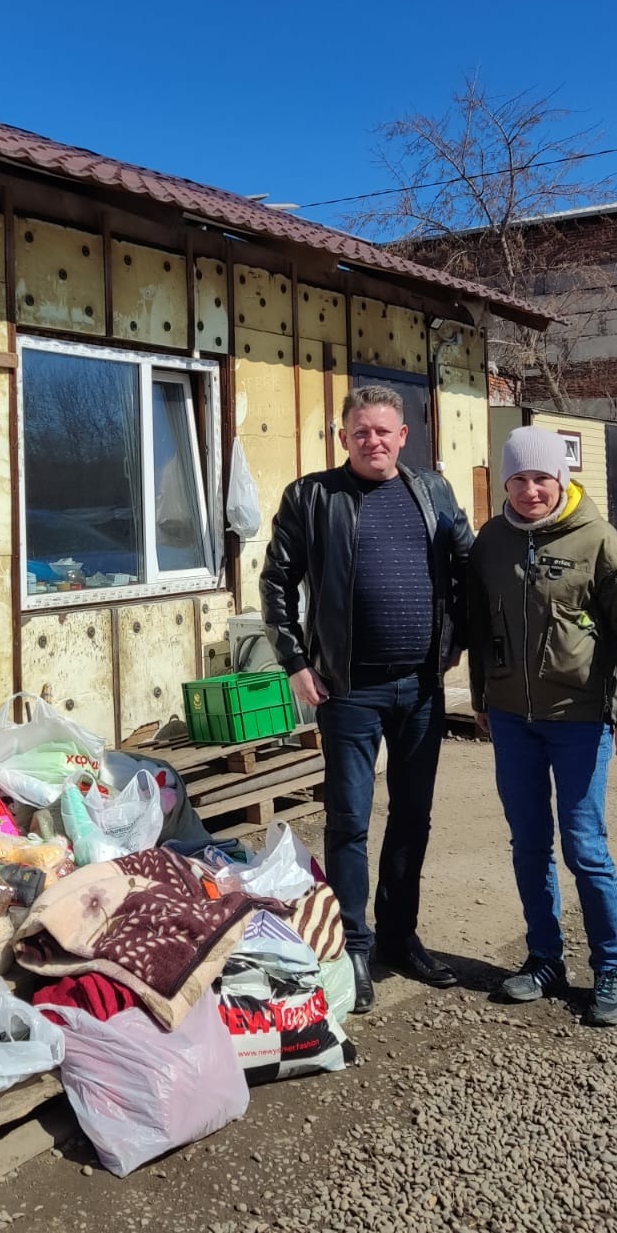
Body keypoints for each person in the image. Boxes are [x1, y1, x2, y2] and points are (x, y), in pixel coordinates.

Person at [260, 386, 473, 1013]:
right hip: (349, 690)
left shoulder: (431, 491)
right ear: (344, 437)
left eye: (384, 431)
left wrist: (457, 641)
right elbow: (277, 580)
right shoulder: (311, 496)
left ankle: (399, 937)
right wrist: (296, 662)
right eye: (361, 432)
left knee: (413, 816)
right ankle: (353, 940)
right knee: (349, 821)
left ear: (403, 435)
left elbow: (468, 564)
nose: (373, 441)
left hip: (422, 689)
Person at [468, 426, 617, 1027]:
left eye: (541, 478)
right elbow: (477, 625)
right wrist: (479, 699)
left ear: (562, 479)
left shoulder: (599, 540)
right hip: (511, 719)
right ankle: (545, 959)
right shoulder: (490, 542)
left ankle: (613, 969)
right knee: (528, 844)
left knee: (585, 847)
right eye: (518, 479)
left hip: (580, 720)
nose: (529, 491)